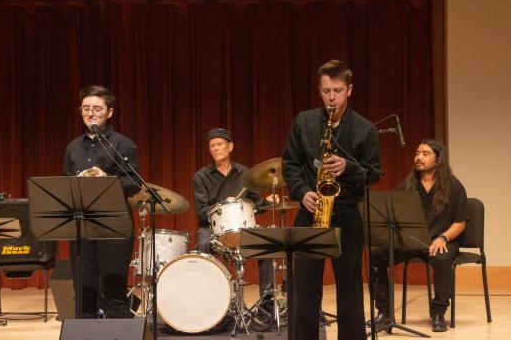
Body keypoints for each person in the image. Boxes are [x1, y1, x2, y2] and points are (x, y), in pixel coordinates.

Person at [282, 59, 381, 340]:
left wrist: (348, 167)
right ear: (319, 89)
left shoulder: (365, 129)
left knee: (349, 289)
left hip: (346, 214)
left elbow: (373, 174)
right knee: (305, 289)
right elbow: (290, 164)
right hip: (310, 211)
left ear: (349, 89)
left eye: (337, 90)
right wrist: (303, 192)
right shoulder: (304, 122)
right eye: (326, 91)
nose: (331, 97)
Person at [371, 139, 468, 332]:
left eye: (425, 153)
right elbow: (396, 218)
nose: (419, 157)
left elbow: (460, 223)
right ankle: (384, 313)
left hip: (441, 241)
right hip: (411, 240)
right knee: (377, 256)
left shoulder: (454, 186)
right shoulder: (407, 186)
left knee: (442, 259)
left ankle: (438, 312)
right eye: (417, 153)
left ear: (438, 160)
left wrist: (443, 238)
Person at [63, 85, 141, 319]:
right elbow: (66, 185)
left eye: (97, 108)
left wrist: (107, 179)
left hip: (113, 225)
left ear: (109, 112)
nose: (90, 113)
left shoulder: (122, 145)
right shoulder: (73, 148)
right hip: (82, 226)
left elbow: (134, 184)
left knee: (114, 294)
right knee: (84, 294)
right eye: (85, 108)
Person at [192, 128, 274, 300]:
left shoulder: (245, 174)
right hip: (212, 229)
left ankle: (267, 302)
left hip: (243, 228)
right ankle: (205, 300)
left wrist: (266, 202)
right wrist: (223, 207)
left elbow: (254, 205)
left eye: (219, 144)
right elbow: (201, 211)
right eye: (212, 146)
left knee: (267, 244)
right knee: (203, 245)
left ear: (230, 147)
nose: (215, 148)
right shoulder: (201, 177)